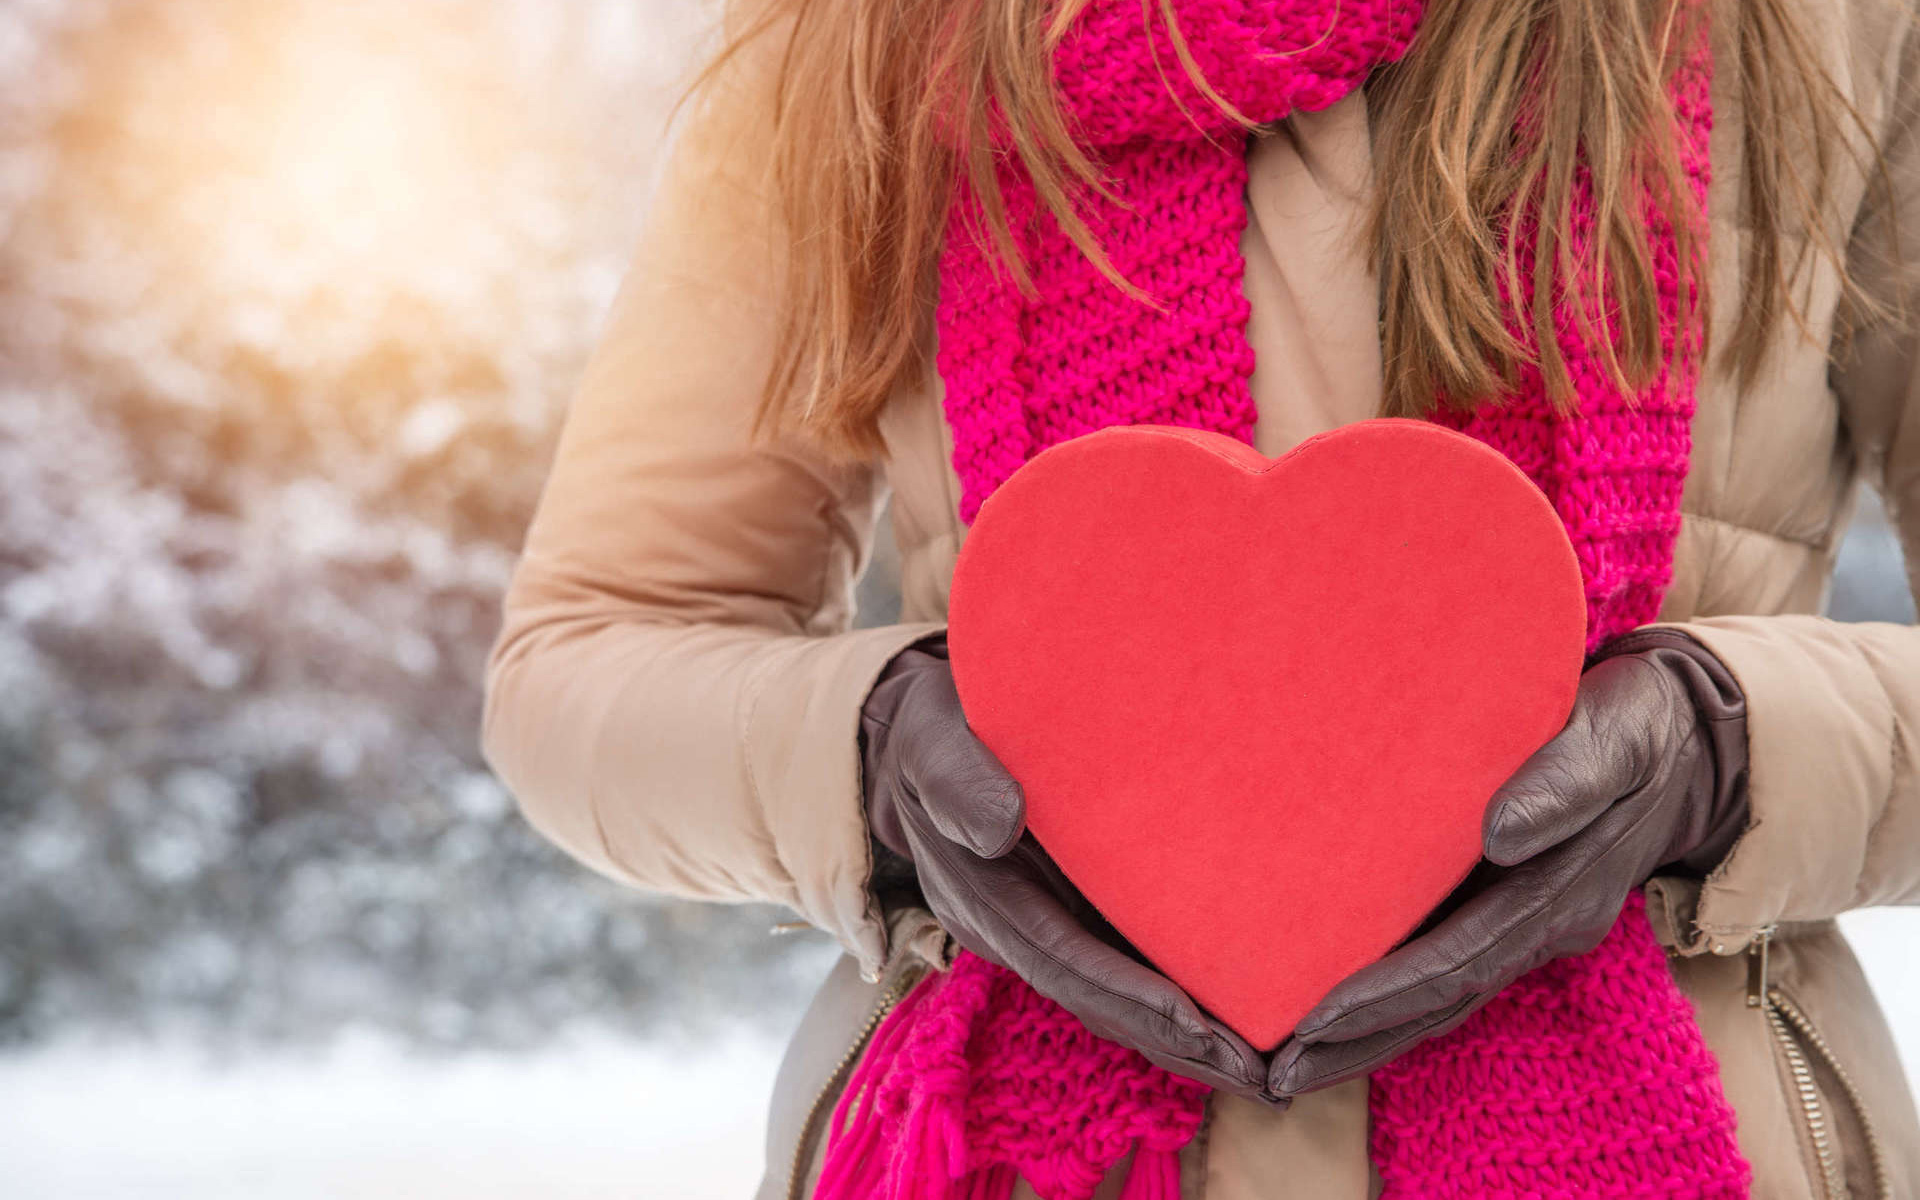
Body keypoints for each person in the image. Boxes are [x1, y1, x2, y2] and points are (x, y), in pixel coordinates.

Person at [482, 0, 1920, 1194]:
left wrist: (1733, 751)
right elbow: (591, 656)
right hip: (1020, 1145)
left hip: (1692, 1114)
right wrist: (865, 756)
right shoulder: (857, 26)